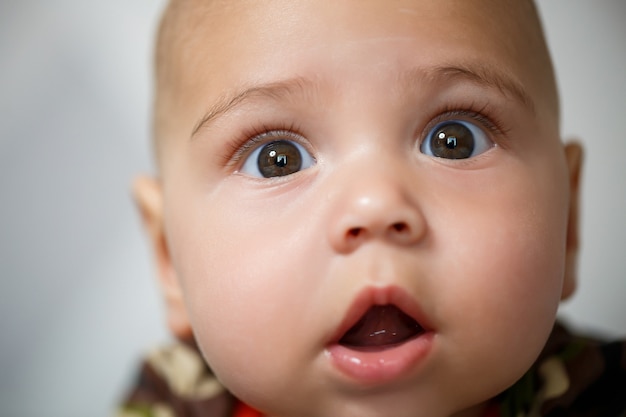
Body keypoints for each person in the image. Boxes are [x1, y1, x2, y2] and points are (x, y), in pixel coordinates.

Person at [119, 1, 626, 416]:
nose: (375, 205)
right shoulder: (169, 403)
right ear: (169, 258)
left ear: (567, 222)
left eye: (453, 141)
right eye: (278, 160)